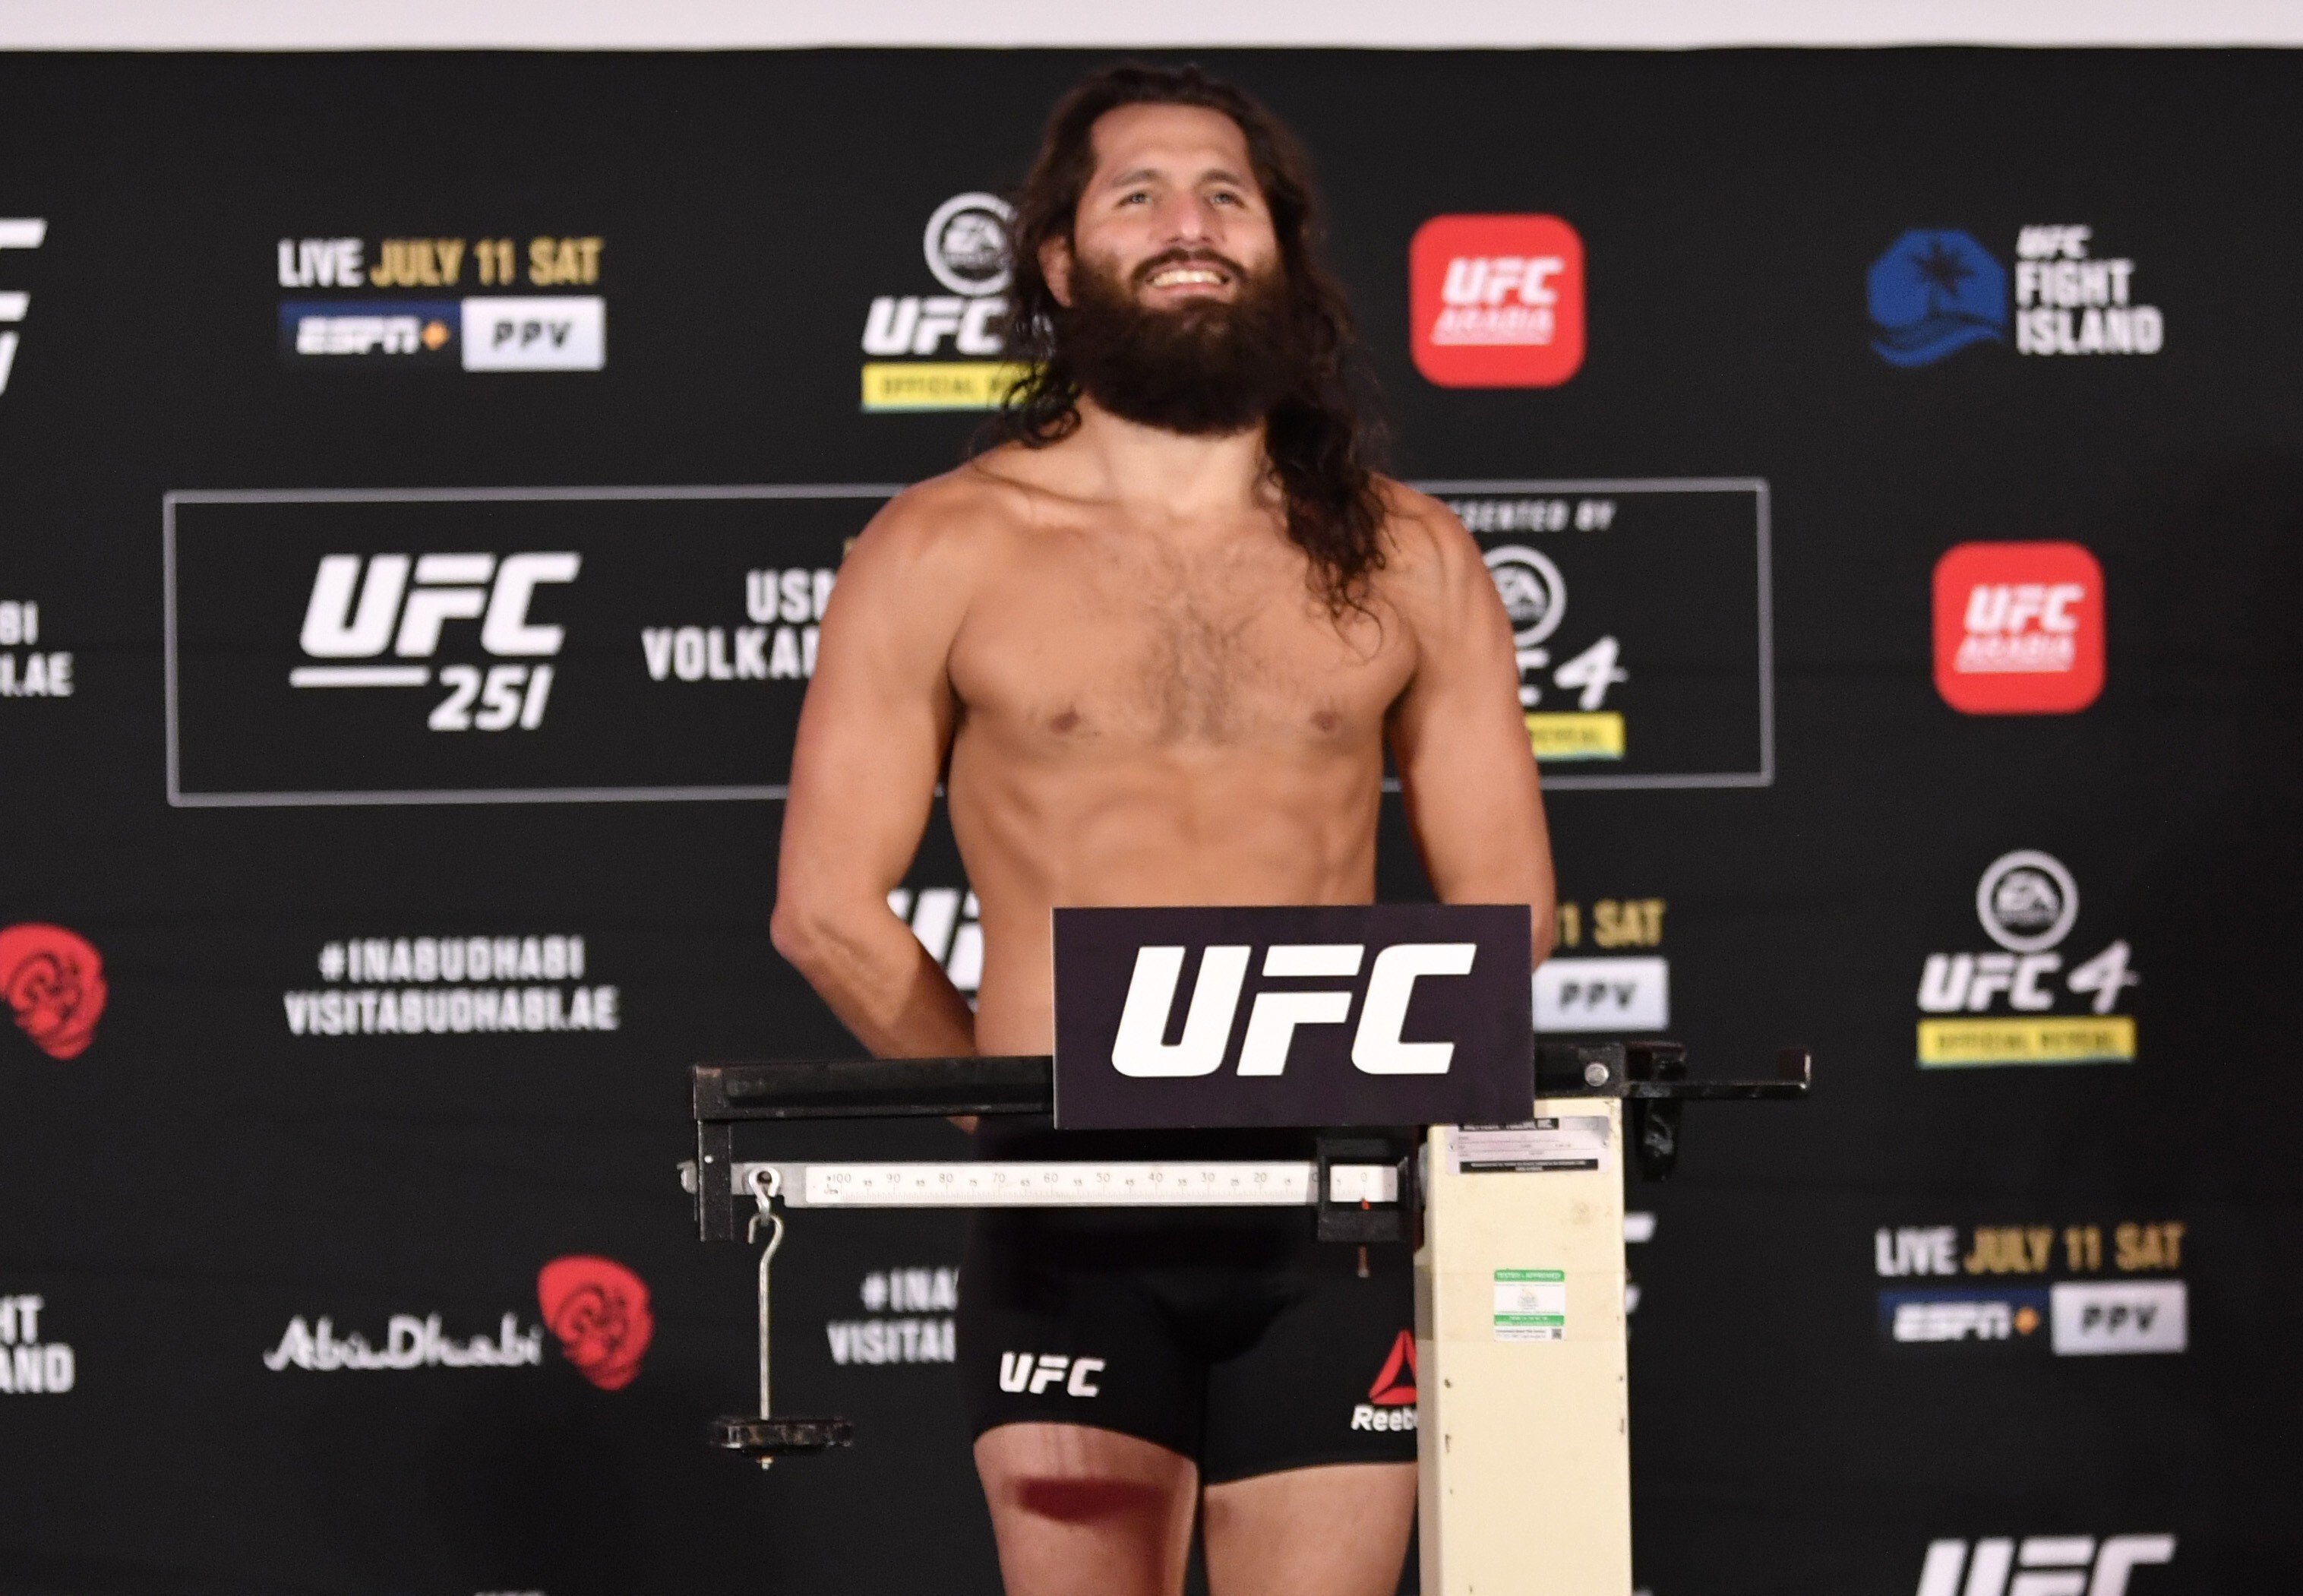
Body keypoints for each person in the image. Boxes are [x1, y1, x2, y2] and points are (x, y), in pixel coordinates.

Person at [771, 62, 1555, 1596]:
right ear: (1062, 262)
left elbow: (1508, 908)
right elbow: (825, 907)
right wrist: (1001, 1120)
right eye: (1136, 194)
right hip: (1067, 1220)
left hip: (1325, 1203)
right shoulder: (941, 543)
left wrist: (1382, 1071)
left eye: (1224, 194)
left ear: (1278, 245)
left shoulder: (1411, 553)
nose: (1186, 223)